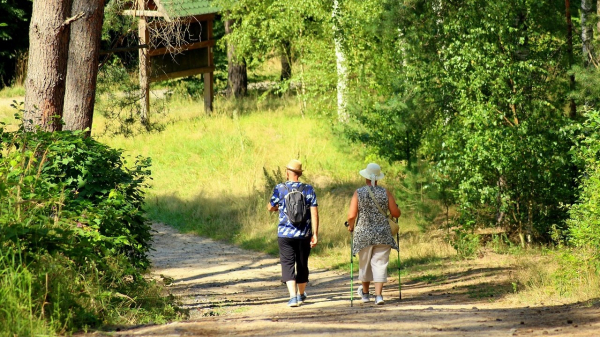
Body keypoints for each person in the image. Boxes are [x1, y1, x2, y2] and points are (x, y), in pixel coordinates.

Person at [346, 163, 401, 305]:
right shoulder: (385, 192)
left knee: (365, 264)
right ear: (378, 179)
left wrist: (351, 227)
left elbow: (351, 215)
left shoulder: (359, 193)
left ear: (366, 177)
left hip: (363, 233)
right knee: (380, 264)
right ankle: (378, 296)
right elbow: (395, 213)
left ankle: (365, 294)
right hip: (383, 233)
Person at [267, 159, 319, 307]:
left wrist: (277, 208)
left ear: (288, 172)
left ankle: (292, 297)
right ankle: (301, 294)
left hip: (285, 234)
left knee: (288, 263)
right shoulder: (308, 189)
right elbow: (314, 213)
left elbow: (270, 207)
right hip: (304, 234)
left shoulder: (280, 188)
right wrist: (315, 233)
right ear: (299, 174)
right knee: (302, 264)